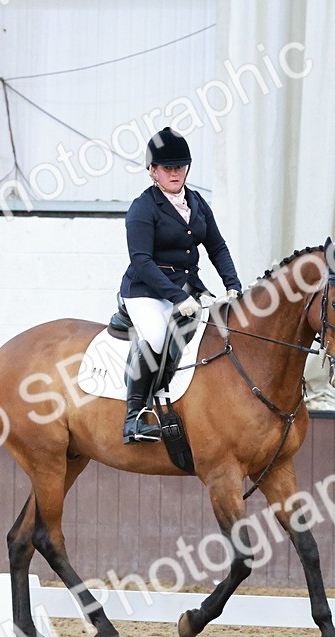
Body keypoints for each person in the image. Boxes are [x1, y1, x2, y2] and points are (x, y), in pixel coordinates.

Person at [119, 127, 242, 443]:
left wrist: (232, 284)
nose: (174, 173)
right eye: (167, 168)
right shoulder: (143, 208)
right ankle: (133, 419)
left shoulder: (197, 202)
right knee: (158, 337)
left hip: (186, 288)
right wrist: (176, 296)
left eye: (180, 167)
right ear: (152, 171)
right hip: (145, 290)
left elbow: (216, 247)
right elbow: (142, 262)